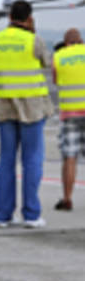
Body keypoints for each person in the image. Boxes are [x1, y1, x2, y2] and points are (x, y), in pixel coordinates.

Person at [0, 0, 54, 228]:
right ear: (29, 18)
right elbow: (48, 63)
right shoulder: (33, 39)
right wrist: (32, 32)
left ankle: (3, 215)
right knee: (32, 160)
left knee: (6, 160)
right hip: (31, 106)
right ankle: (31, 214)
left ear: (9, 17)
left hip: (5, 104)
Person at [53, 28, 85, 211]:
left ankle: (67, 199)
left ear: (66, 43)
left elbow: (56, 81)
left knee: (70, 157)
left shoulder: (59, 56)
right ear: (80, 41)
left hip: (70, 113)